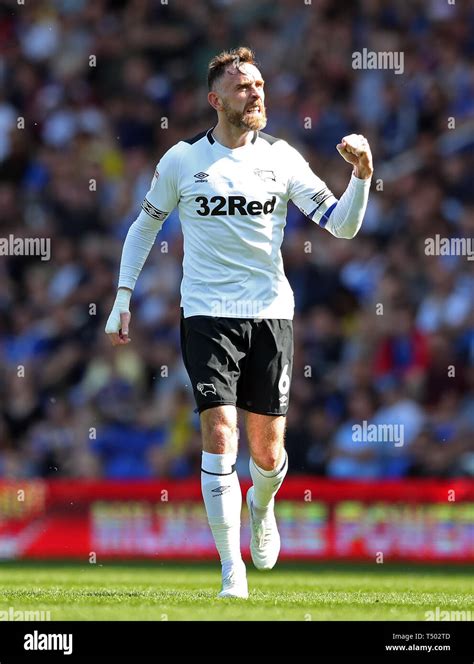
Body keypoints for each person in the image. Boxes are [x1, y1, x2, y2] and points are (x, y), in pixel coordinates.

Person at [105, 47, 373, 598]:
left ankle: (262, 503)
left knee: (268, 455)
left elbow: (341, 227)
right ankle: (232, 569)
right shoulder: (182, 160)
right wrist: (123, 294)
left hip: (271, 313)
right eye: (243, 86)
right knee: (219, 432)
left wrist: (362, 177)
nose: (255, 93)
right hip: (206, 313)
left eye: (259, 84)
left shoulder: (284, 160)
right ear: (215, 99)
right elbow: (143, 226)